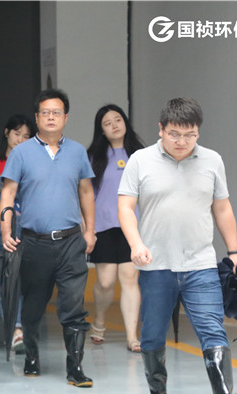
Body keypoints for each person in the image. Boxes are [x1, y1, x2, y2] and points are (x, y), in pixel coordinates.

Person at [117, 97, 237, 394]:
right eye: (174, 134)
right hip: (155, 265)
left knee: (212, 328)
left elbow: (222, 208)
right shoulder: (140, 161)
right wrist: (135, 244)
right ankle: (158, 393)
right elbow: (125, 207)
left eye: (190, 135)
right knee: (153, 333)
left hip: (200, 264)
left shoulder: (212, 161)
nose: (182, 142)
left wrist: (234, 251)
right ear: (161, 129)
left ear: (198, 132)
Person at [0, 88, 96, 387]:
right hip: (34, 242)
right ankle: (31, 357)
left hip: (71, 241)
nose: (51, 117)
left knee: (73, 305)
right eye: (45, 113)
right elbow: (8, 192)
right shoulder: (22, 152)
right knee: (32, 306)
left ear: (66, 117)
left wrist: (90, 230)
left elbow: (86, 192)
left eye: (56, 113)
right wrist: (5, 230)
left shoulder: (77, 152)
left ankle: (75, 368)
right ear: (37, 117)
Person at [86, 104, 145, 352]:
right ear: (101, 131)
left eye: (118, 119)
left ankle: (132, 336)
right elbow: (86, 194)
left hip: (132, 226)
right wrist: (87, 227)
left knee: (130, 278)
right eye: (107, 123)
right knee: (106, 282)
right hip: (104, 226)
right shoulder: (93, 157)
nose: (114, 125)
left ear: (125, 122)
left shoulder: (141, 155)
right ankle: (99, 320)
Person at [0, 114, 36, 354]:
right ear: (7, 133)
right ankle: (16, 329)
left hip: (30, 230)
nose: (20, 140)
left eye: (26, 136)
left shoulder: (33, 163)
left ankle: (22, 328)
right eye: (17, 134)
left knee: (26, 281)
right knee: (4, 282)